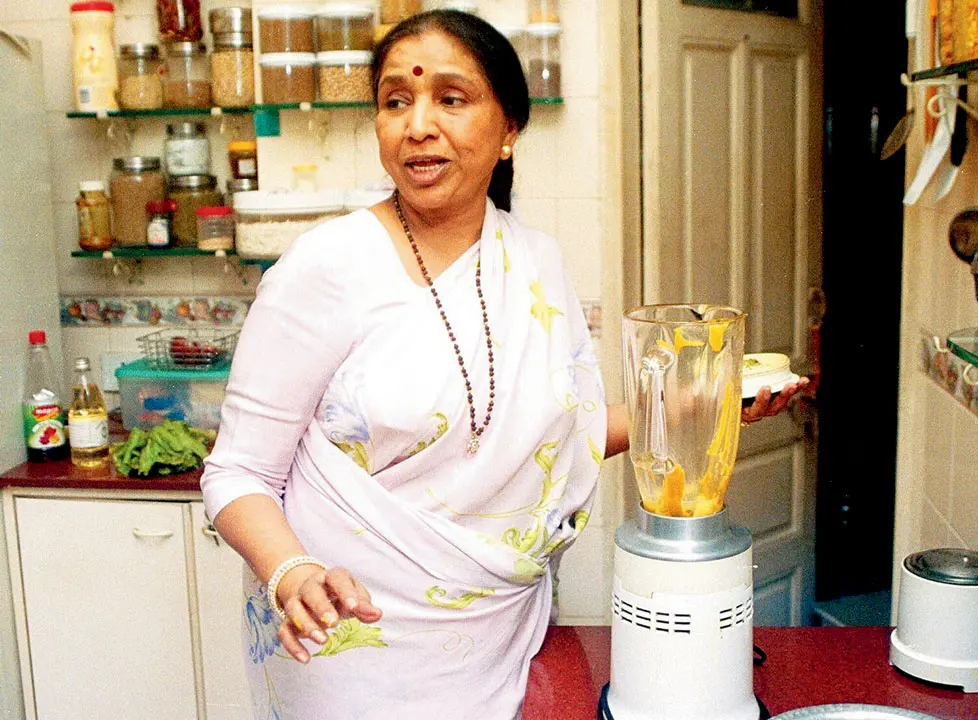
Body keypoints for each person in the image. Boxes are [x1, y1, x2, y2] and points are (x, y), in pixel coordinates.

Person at [201, 10, 808, 719]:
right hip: (348, 645)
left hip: (502, 634)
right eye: (396, 101)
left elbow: (556, 435)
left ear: (510, 129)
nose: (417, 124)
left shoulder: (535, 261)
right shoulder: (325, 268)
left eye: (450, 99)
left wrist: (695, 408)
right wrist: (289, 570)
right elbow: (238, 470)